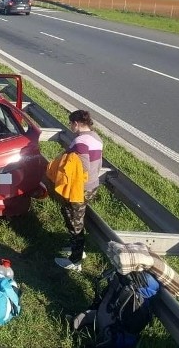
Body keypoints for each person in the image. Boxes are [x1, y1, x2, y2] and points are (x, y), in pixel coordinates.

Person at [52, 110, 103, 271]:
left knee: (74, 221)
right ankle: (75, 248)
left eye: (70, 123)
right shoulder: (96, 137)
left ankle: (76, 260)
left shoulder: (80, 142)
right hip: (93, 185)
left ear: (76, 123)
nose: (70, 126)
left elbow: (83, 166)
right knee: (75, 217)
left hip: (79, 189)